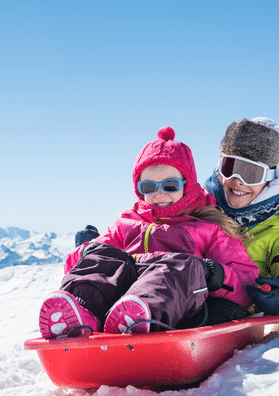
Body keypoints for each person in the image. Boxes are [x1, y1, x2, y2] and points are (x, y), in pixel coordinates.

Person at [39, 127, 258, 339]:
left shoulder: (208, 227)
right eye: (148, 187)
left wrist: (214, 275)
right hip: (118, 299)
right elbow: (84, 267)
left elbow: (246, 285)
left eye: (170, 185)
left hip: (179, 307)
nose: (159, 194)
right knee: (104, 255)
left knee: (183, 266)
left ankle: (138, 317)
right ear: (139, 189)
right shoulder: (126, 222)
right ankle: (79, 313)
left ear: (187, 185)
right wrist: (87, 250)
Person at [204, 117, 279, 315]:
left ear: (274, 179)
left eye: (251, 173)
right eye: (230, 167)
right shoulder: (201, 208)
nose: (237, 180)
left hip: (233, 310)